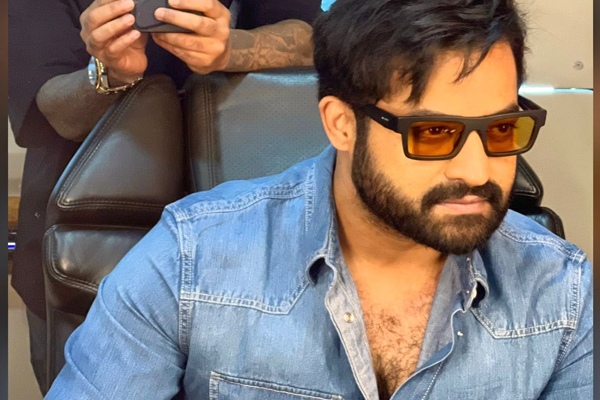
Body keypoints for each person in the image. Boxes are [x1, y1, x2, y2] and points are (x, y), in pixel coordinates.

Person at [45, 0, 593, 398]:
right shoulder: (189, 264)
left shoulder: (561, 293)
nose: (477, 171)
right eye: (432, 133)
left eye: (502, 130)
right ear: (341, 124)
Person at [8, 0, 322, 395]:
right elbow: (52, 110)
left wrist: (229, 48)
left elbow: (310, 39)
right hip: (86, 246)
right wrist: (109, 73)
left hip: (242, 243)